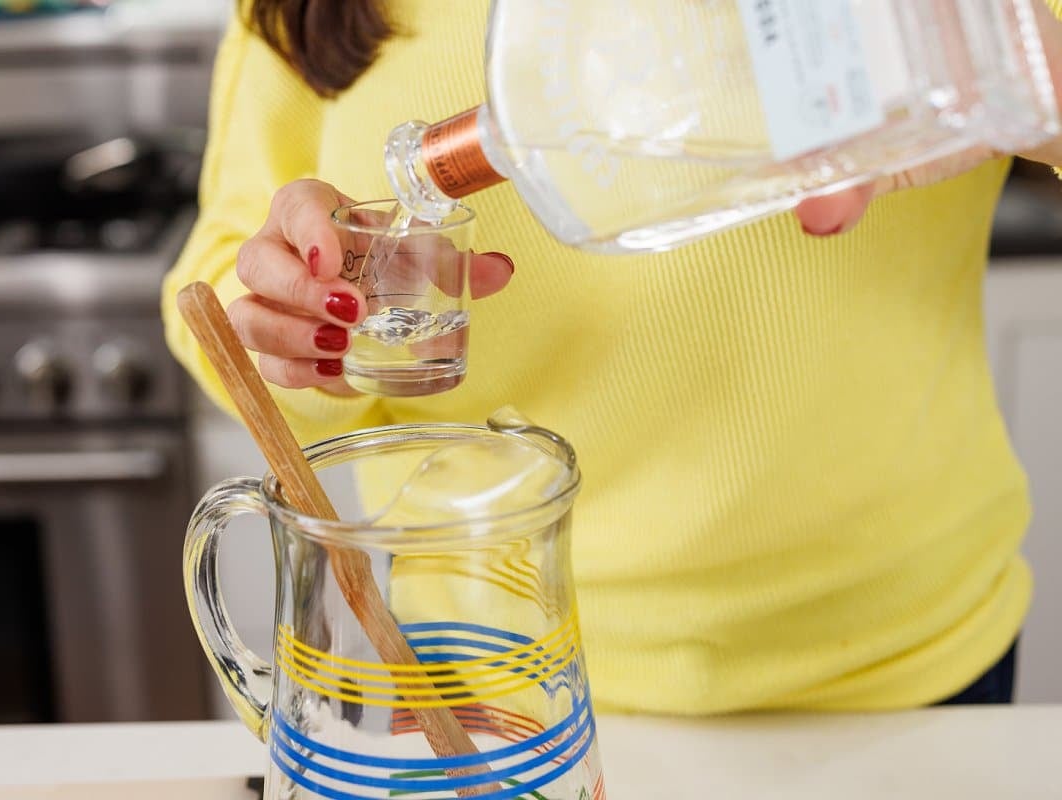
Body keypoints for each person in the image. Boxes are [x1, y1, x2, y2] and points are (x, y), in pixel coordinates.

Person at [163, 0, 1062, 714]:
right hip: (494, 674)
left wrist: (1025, 77)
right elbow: (221, 282)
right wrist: (306, 330)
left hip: (905, 664)